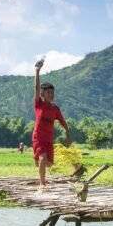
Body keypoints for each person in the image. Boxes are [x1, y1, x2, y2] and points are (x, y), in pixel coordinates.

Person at [32, 58, 71, 190]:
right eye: (48, 93)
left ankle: (39, 162)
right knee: (43, 158)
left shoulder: (55, 109)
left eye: (52, 93)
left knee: (48, 163)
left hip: (49, 139)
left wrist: (67, 136)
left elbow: (63, 123)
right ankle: (42, 183)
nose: (51, 95)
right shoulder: (39, 104)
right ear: (42, 94)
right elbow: (36, 88)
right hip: (38, 138)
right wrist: (37, 71)